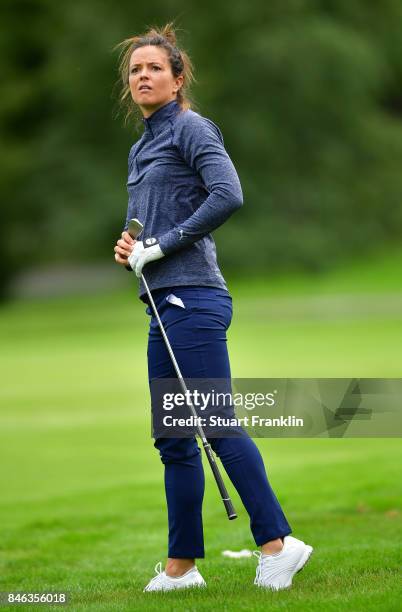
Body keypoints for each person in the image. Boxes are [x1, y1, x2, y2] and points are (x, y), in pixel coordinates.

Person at [113, 23, 313, 593]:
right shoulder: (141, 145)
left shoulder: (192, 128)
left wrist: (163, 243)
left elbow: (228, 193)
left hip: (194, 299)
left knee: (215, 423)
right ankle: (182, 568)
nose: (143, 76)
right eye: (135, 70)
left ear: (178, 80)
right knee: (173, 438)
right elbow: (154, 222)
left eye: (154, 68)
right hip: (162, 304)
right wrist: (134, 246)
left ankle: (278, 544)